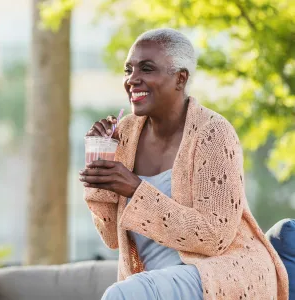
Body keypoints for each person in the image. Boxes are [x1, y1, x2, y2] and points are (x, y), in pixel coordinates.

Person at [79, 28, 289, 300]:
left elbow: (214, 237)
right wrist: (100, 172)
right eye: (128, 69)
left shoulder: (213, 133)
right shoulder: (126, 134)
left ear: (180, 78)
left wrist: (135, 188)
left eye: (146, 68)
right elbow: (111, 239)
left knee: (121, 296)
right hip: (154, 278)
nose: (132, 79)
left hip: (217, 274)